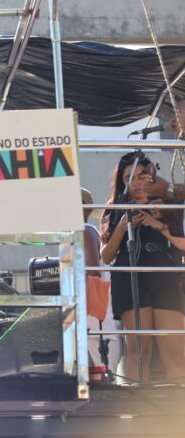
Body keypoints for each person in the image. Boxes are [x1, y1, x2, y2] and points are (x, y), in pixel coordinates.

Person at [99, 153, 185, 383]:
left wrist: (160, 225)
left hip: (164, 274)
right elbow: (106, 256)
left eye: (142, 176)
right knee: (139, 351)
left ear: (152, 178)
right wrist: (122, 227)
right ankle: (137, 401)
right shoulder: (115, 207)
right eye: (129, 177)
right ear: (122, 181)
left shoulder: (167, 204)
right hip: (130, 277)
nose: (136, 183)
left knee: (175, 352)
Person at [81, 188, 121, 374]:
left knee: (106, 375)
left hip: (96, 319)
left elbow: (92, 272)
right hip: (99, 318)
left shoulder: (85, 230)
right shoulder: (89, 231)